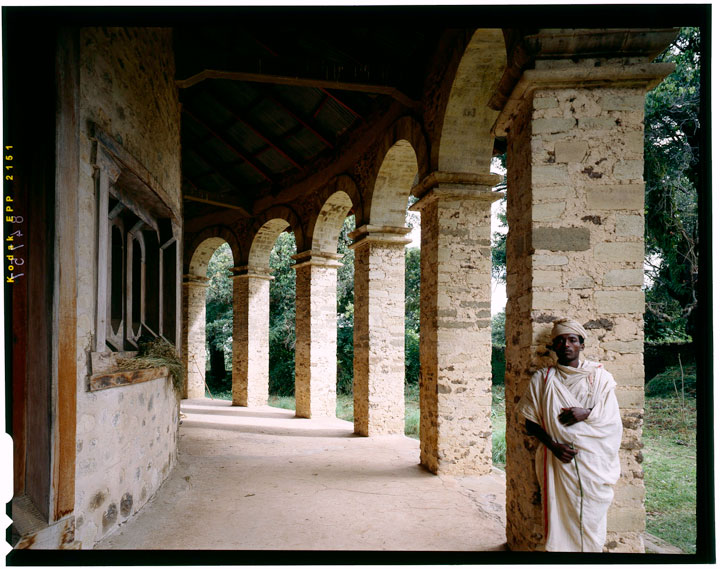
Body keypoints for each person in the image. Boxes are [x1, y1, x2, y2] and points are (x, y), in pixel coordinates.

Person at [516, 318, 623, 552]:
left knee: (591, 516)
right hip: (558, 462)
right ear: (554, 347)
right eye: (561, 341)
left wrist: (587, 413)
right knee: (561, 517)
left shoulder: (600, 378)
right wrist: (554, 447)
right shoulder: (543, 380)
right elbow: (530, 424)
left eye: (572, 340)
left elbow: (613, 421)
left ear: (581, 345)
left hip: (592, 463)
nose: (566, 345)